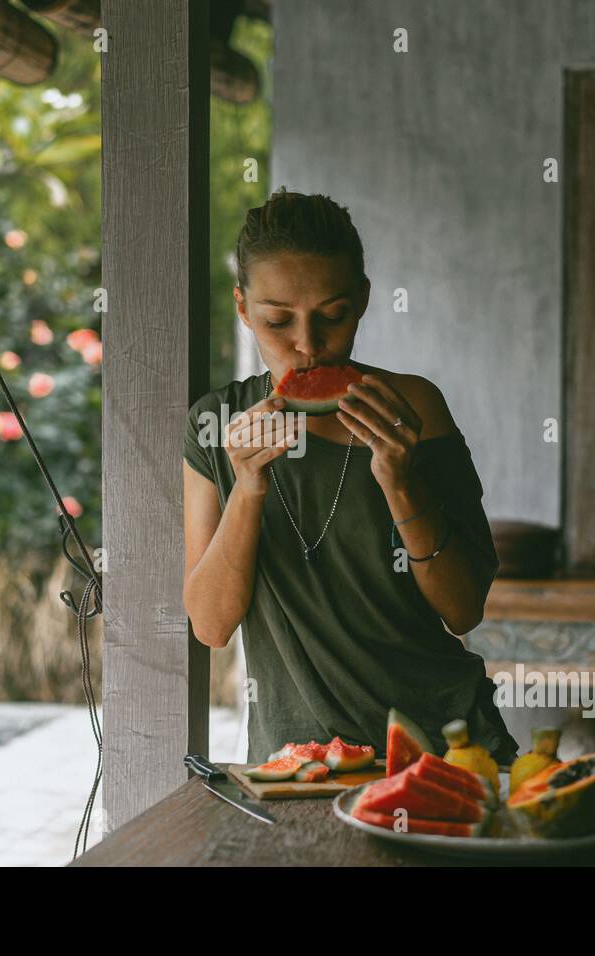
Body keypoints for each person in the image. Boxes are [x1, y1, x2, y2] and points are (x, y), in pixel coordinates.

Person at [183, 187, 517, 768]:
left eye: (332, 317)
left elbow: (463, 610)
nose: (308, 347)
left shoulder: (414, 407)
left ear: (361, 301)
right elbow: (211, 625)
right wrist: (249, 487)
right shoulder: (216, 426)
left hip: (442, 746)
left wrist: (399, 479)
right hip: (299, 763)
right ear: (242, 308)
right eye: (277, 320)